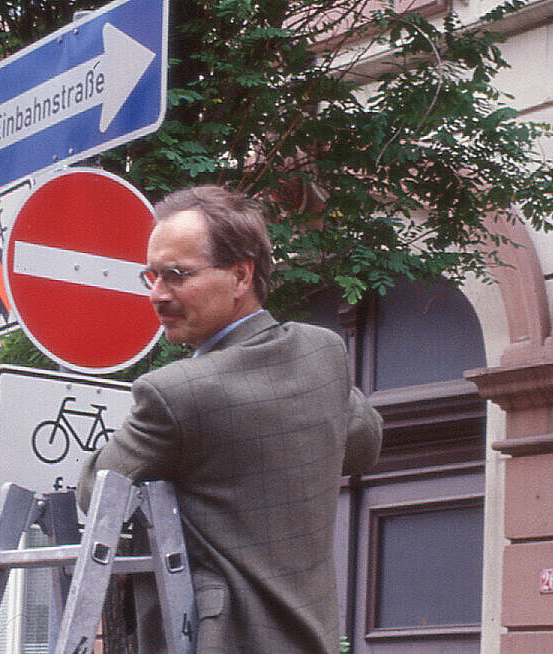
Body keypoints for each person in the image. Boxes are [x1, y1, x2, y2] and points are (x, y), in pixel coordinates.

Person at [76, 185, 382, 654]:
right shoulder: (324, 353)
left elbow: (97, 492)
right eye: (151, 276)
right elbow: (364, 445)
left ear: (241, 276)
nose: (157, 295)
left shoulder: (175, 392)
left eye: (176, 275)